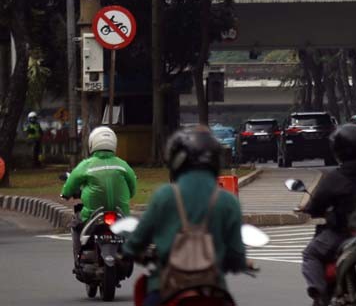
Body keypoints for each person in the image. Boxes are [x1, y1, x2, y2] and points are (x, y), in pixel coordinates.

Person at [122, 126, 247, 306]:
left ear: (178, 160)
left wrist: (127, 252)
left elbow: (138, 240)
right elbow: (236, 255)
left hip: (166, 288)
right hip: (213, 292)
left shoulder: (164, 196)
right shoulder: (228, 202)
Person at [300, 124, 356, 306]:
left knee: (310, 254)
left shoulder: (336, 177)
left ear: (339, 150)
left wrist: (309, 209)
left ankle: (319, 294)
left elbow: (316, 205)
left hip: (344, 235)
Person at [61, 126, 138, 262]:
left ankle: (78, 257)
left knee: (75, 224)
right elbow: (132, 189)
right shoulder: (123, 165)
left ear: (92, 143)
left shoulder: (86, 165)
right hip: (121, 213)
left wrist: (65, 194)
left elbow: (71, 183)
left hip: (91, 214)